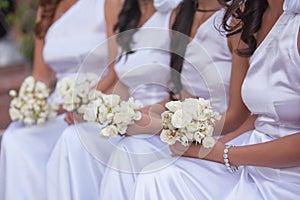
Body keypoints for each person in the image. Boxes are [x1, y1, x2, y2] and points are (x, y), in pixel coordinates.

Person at [133, 0, 300, 199]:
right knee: (158, 176)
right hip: (251, 155)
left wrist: (223, 152)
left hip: (287, 175)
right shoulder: (255, 15)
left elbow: (238, 115)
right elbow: (260, 119)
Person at [99, 0, 255, 199]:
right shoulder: (180, 15)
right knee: (128, 149)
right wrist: (140, 116)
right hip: (190, 131)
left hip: (232, 133)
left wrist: (159, 127)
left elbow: (239, 115)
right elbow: (182, 98)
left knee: (155, 176)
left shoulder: (236, 19)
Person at [46, 0, 173, 199]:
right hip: (131, 119)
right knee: (74, 136)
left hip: (162, 126)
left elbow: (183, 95)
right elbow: (121, 85)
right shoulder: (128, 17)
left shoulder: (174, 14)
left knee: (127, 150)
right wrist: (93, 111)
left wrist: (139, 118)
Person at [0, 0, 118, 199]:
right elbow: (41, 76)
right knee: (15, 138)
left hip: (100, 100)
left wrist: (81, 104)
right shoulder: (47, 8)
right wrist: (30, 105)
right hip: (56, 107)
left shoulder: (108, 3)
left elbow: (116, 73)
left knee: (71, 136)